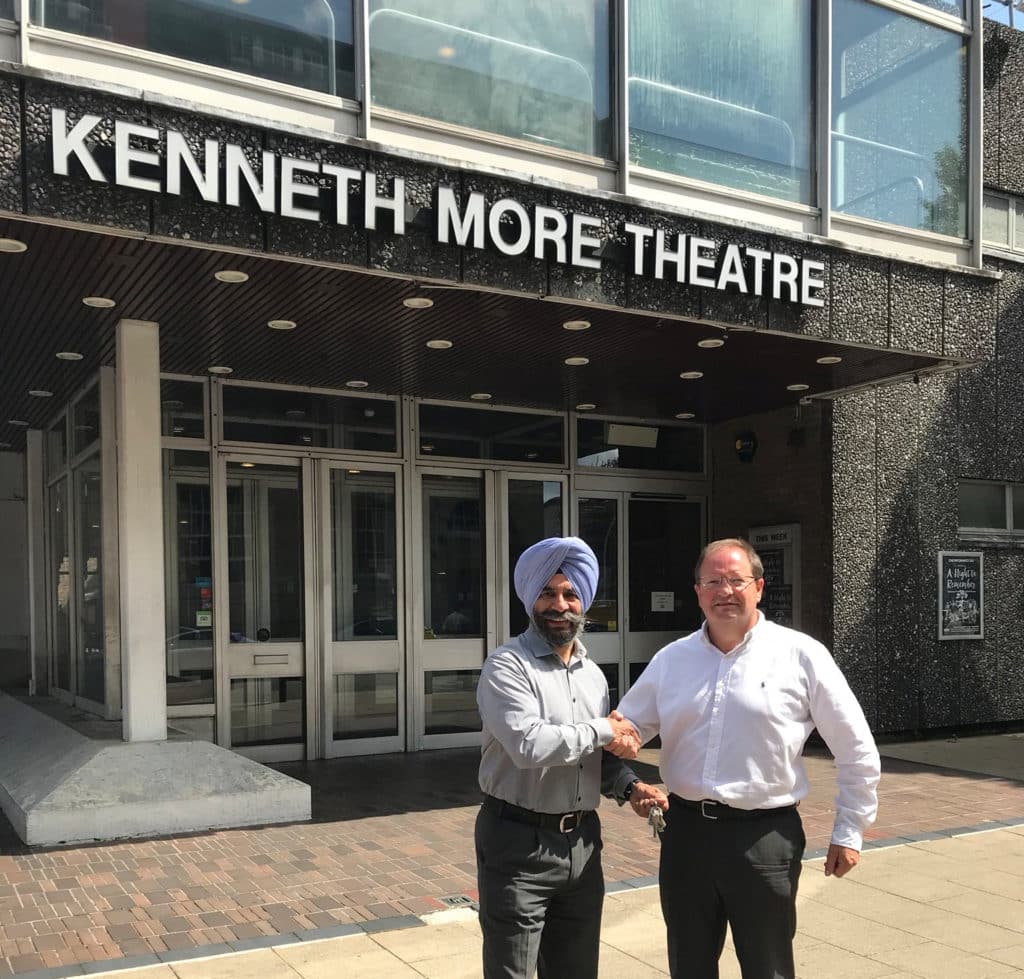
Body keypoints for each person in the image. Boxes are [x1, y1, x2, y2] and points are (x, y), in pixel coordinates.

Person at [616, 537, 881, 979]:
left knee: (768, 967)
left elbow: (856, 748)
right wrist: (620, 745)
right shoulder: (672, 660)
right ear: (698, 591)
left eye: (736, 580)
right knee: (689, 964)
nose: (725, 591)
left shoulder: (801, 655)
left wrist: (850, 829)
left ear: (759, 587)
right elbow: (628, 725)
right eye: (713, 581)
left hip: (765, 838)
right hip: (685, 837)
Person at [475, 536, 668, 979]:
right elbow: (529, 745)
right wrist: (606, 729)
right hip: (517, 843)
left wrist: (631, 787)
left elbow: (593, 755)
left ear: (584, 603)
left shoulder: (593, 675)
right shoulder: (507, 666)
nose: (559, 604)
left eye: (570, 594)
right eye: (547, 592)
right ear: (530, 600)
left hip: (582, 845)